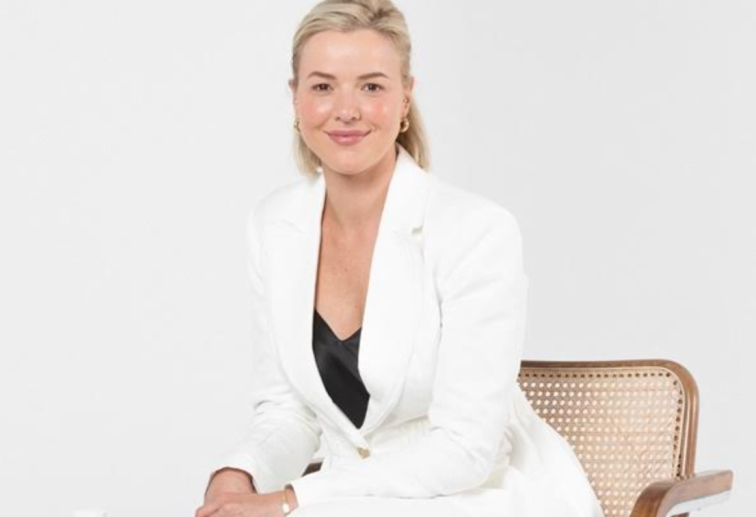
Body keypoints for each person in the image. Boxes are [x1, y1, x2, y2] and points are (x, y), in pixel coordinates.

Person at [195, 1, 605, 516]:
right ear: (295, 98)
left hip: (475, 498)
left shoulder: (477, 231)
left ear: (405, 98)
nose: (347, 109)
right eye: (323, 86)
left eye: (371, 86)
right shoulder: (273, 227)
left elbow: (466, 450)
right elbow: (288, 414)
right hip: (346, 505)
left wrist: (293, 499)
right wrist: (239, 474)